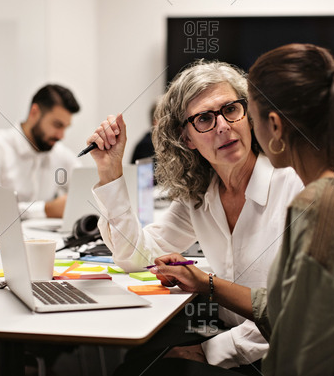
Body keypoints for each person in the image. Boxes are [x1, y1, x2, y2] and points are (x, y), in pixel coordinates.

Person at [146, 44, 334, 375]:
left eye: (244, 114)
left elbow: (298, 354)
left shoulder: (318, 208)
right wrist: (207, 284)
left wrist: (208, 350)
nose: (232, 127)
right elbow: (292, 309)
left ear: (273, 125)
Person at [85, 60, 303, 371]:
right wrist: (110, 171)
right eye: (204, 119)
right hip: (224, 333)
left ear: (249, 116)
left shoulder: (294, 188)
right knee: (135, 362)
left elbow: (299, 310)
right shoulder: (201, 194)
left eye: (230, 109)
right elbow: (136, 257)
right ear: (187, 139)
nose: (223, 126)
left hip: (279, 357)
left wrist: (209, 350)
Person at [0, 84, 81, 223]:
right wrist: (45, 209)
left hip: (49, 239)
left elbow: (85, 189)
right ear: (34, 112)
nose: (61, 135)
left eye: (65, 127)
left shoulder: (60, 153)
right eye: (57, 125)